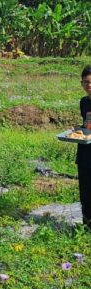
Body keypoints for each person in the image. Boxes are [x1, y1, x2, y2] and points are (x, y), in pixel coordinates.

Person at [77, 65, 91, 229]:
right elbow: (85, 126)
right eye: (85, 82)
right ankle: (87, 227)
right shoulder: (83, 102)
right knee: (86, 192)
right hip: (85, 153)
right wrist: (79, 130)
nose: (89, 85)